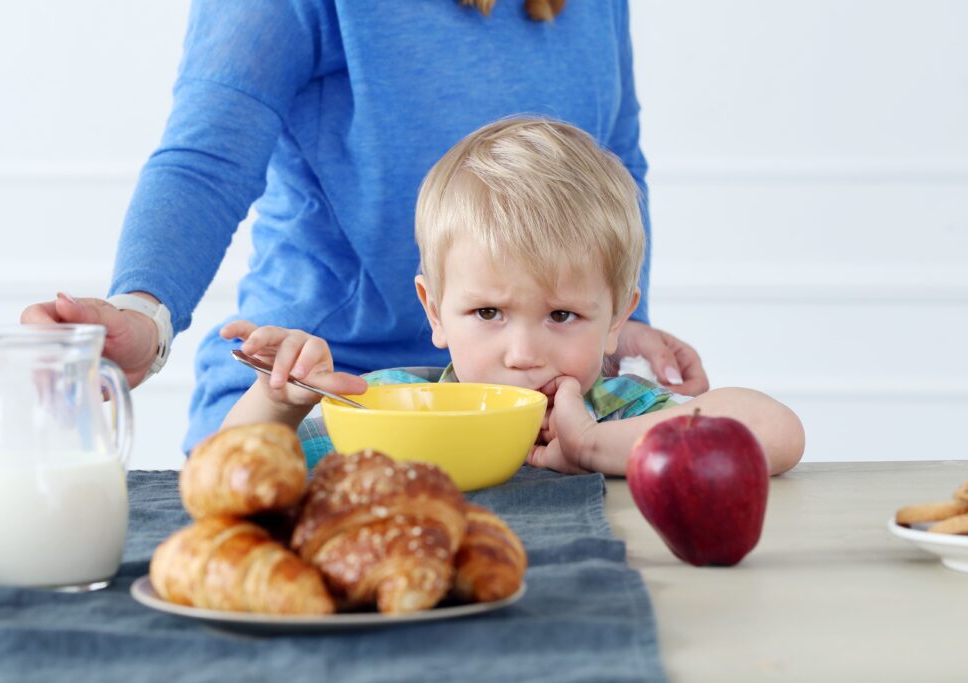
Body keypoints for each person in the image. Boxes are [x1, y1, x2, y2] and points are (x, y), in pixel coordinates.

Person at [20, 0, 710, 453]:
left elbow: (616, 162)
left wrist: (610, 320)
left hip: (542, 427)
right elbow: (207, 161)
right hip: (323, 397)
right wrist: (145, 312)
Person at [221, 118, 804, 476]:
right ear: (434, 311)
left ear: (616, 322)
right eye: (488, 312)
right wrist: (279, 403)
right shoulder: (394, 409)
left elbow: (775, 430)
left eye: (562, 315)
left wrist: (594, 446)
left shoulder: (623, 414)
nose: (523, 354)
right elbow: (230, 466)